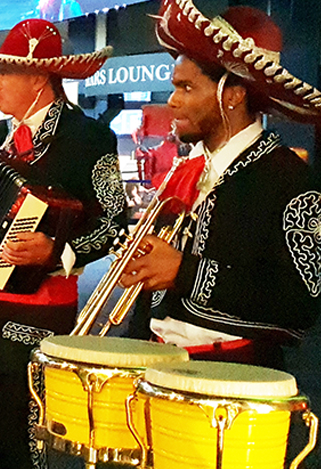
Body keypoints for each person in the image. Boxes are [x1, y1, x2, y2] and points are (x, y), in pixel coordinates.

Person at [0, 19, 125, 469]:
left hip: (39, 313)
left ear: (38, 78)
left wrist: (60, 251)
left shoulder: (89, 138)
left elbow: (115, 225)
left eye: (3, 73)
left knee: (23, 445)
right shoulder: (1, 131)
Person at [120, 1, 321, 369]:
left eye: (186, 87)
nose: (172, 100)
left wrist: (184, 271)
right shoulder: (188, 169)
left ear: (232, 93)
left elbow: (304, 302)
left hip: (234, 387)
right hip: (154, 369)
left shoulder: (289, 180)